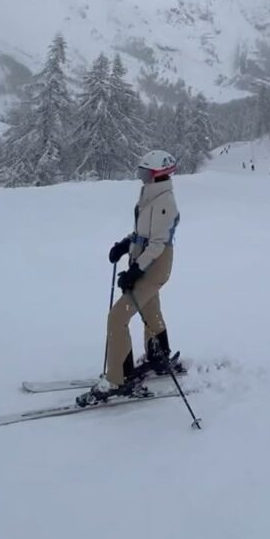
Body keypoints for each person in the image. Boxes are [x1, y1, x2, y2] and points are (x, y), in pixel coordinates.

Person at [77, 150, 180, 406]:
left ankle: (118, 379)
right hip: (145, 260)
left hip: (154, 266)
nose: (141, 177)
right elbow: (143, 232)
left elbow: (157, 245)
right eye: (140, 172)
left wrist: (136, 271)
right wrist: (125, 244)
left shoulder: (164, 202)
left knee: (118, 317)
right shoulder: (151, 195)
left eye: (145, 173)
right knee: (149, 309)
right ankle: (159, 356)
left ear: (158, 175)